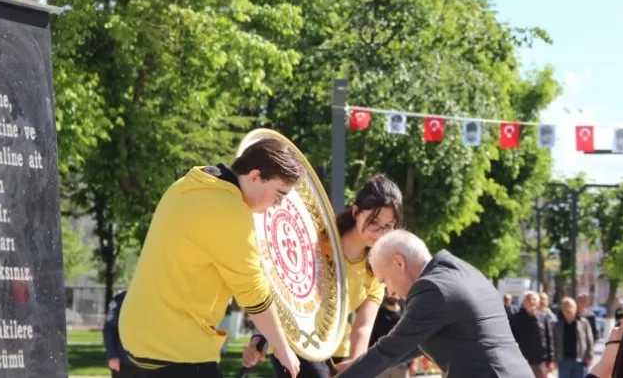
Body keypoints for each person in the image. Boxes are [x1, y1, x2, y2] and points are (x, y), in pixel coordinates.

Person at [119, 138, 303, 378]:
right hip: (176, 348)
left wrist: (263, 336)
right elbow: (252, 292)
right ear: (255, 176)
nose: (278, 204)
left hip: (136, 336)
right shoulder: (229, 211)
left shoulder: (188, 185)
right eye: (279, 194)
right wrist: (282, 346)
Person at [242, 174, 403, 378]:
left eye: (388, 227)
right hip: (296, 345)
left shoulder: (376, 270)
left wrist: (356, 365)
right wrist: (260, 336)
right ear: (356, 212)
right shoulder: (317, 239)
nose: (380, 232)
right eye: (374, 222)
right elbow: (279, 287)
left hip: (336, 351)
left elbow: (362, 327)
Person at [334, 230, 532, 378]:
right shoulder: (462, 272)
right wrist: (358, 364)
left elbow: (391, 349)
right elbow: (412, 344)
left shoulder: (432, 289)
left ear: (399, 263)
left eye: (385, 280)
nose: (390, 292)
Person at [509, 291, 554, 378]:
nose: (531, 302)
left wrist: (551, 359)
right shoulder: (515, 319)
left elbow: (549, 339)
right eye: (528, 299)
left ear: (538, 302)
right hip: (522, 361)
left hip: (540, 362)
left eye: (534, 299)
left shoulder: (544, 318)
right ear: (524, 302)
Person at [369, 293, 414, 378]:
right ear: (386, 294)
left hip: (401, 364)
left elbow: (411, 341)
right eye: (390, 293)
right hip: (380, 364)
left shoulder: (406, 314)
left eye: (395, 293)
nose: (393, 295)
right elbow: (371, 339)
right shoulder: (378, 314)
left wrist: (412, 363)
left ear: (400, 295)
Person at [103, 290, 142, 378]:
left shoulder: (158, 299)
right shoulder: (120, 299)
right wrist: (112, 356)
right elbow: (110, 329)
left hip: (153, 361)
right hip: (125, 361)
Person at [553, 297, 593, 378]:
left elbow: (590, 341)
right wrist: (554, 359)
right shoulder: (557, 324)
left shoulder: (583, 322)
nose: (568, 309)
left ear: (575, 308)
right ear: (562, 309)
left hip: (580, 360)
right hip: (563, 361)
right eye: (565, 306)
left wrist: (589, 357)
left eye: (570, 306)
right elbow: (553, 342)